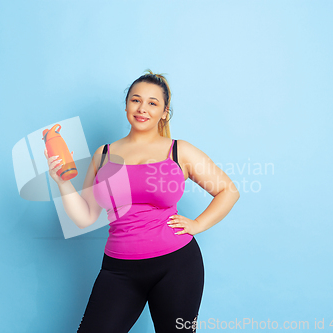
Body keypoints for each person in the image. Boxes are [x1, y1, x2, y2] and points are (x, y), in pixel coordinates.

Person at [44, 69, 240, 332]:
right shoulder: (103, 155)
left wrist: (197, 225)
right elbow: (86, 218)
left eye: (152, 103)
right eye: (136, 100)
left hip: (177, 265)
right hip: (119, 269)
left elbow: (228, 190)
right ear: (126, 104)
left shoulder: (179, 150)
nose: (142, 108)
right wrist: (62, 182)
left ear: (164, 112)